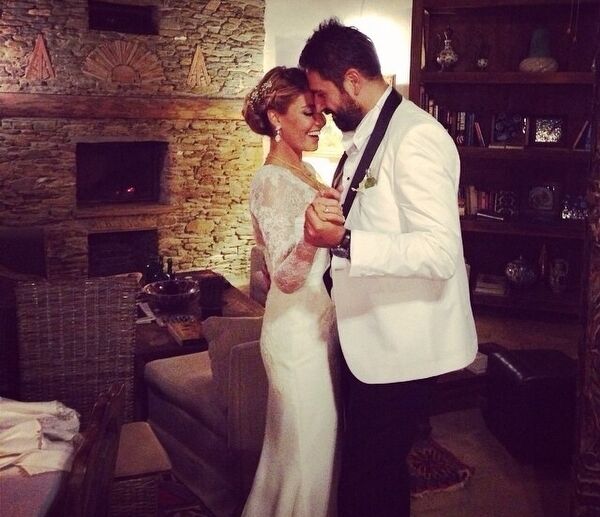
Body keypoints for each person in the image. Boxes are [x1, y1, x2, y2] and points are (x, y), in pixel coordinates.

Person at [300, 19, 478, 517]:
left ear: (352, 80)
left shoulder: (415, 136)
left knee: (369, 476)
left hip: (400, 347)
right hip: (369, 336)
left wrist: (345, 240)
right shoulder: (368, 132)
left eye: (322, 93)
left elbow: (439, 252)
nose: (320, 107)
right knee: (374, 473)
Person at [241, 66, 344, 517]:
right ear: (275, 116)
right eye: (308, 112)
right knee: (306, 457)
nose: (320, 122)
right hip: (295, 335)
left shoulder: (305, 171)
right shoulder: (270, 180)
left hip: (316, 326)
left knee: (306, 455)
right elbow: (283, 277)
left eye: (321, 112)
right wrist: (311, 237)